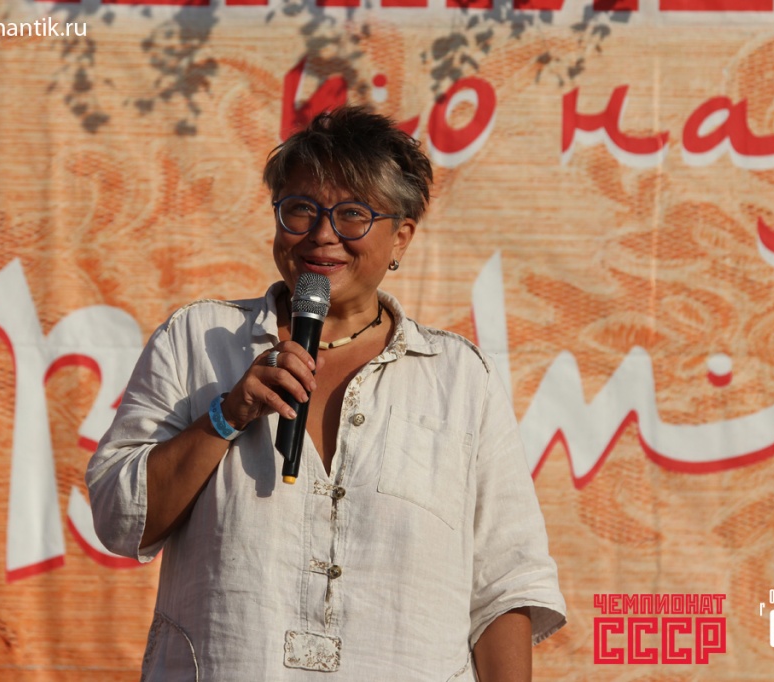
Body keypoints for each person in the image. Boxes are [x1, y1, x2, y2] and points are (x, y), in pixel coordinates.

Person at [86, 105, 566, 681]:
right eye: (300, 209)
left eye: (353, 215)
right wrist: (226, 413)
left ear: (401, 238)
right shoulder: (199, 339)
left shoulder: (459, 377)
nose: (321, 235)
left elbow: (505, 584)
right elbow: (121, 518)